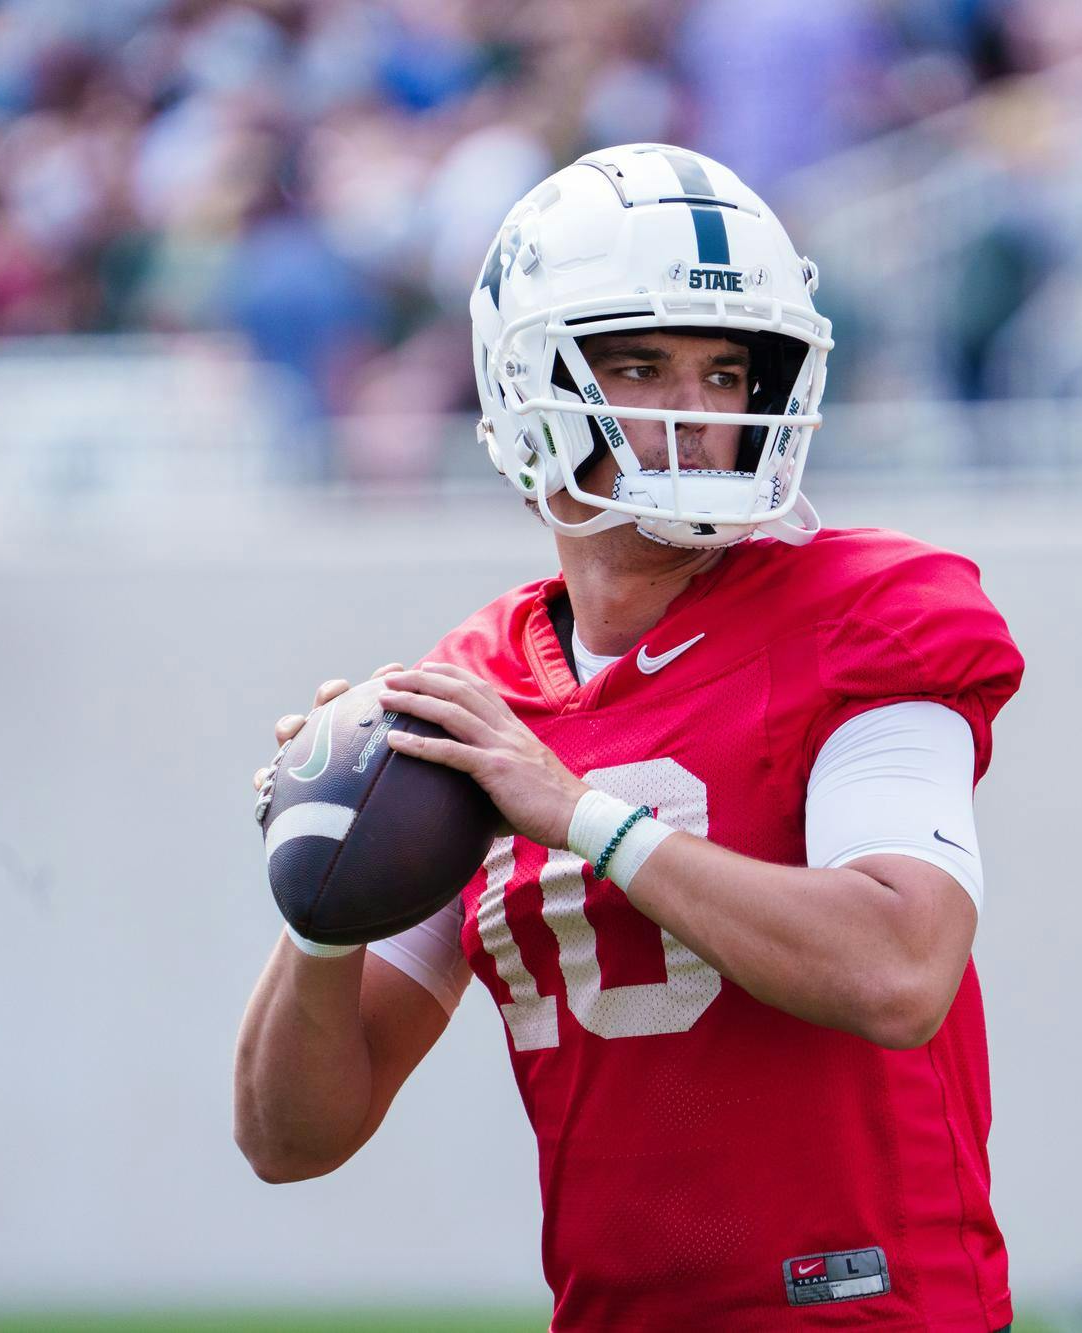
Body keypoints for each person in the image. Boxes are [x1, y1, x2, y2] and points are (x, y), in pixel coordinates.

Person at [234, 144, 1024, 1332]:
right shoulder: (478, 689)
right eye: (642, 365)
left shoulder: (869, 614)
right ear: (523, 384)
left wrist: (579, 814)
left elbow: (898, 967)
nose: (694, 416)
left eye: (724, 371)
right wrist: (322, 897)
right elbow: (288, 1137)